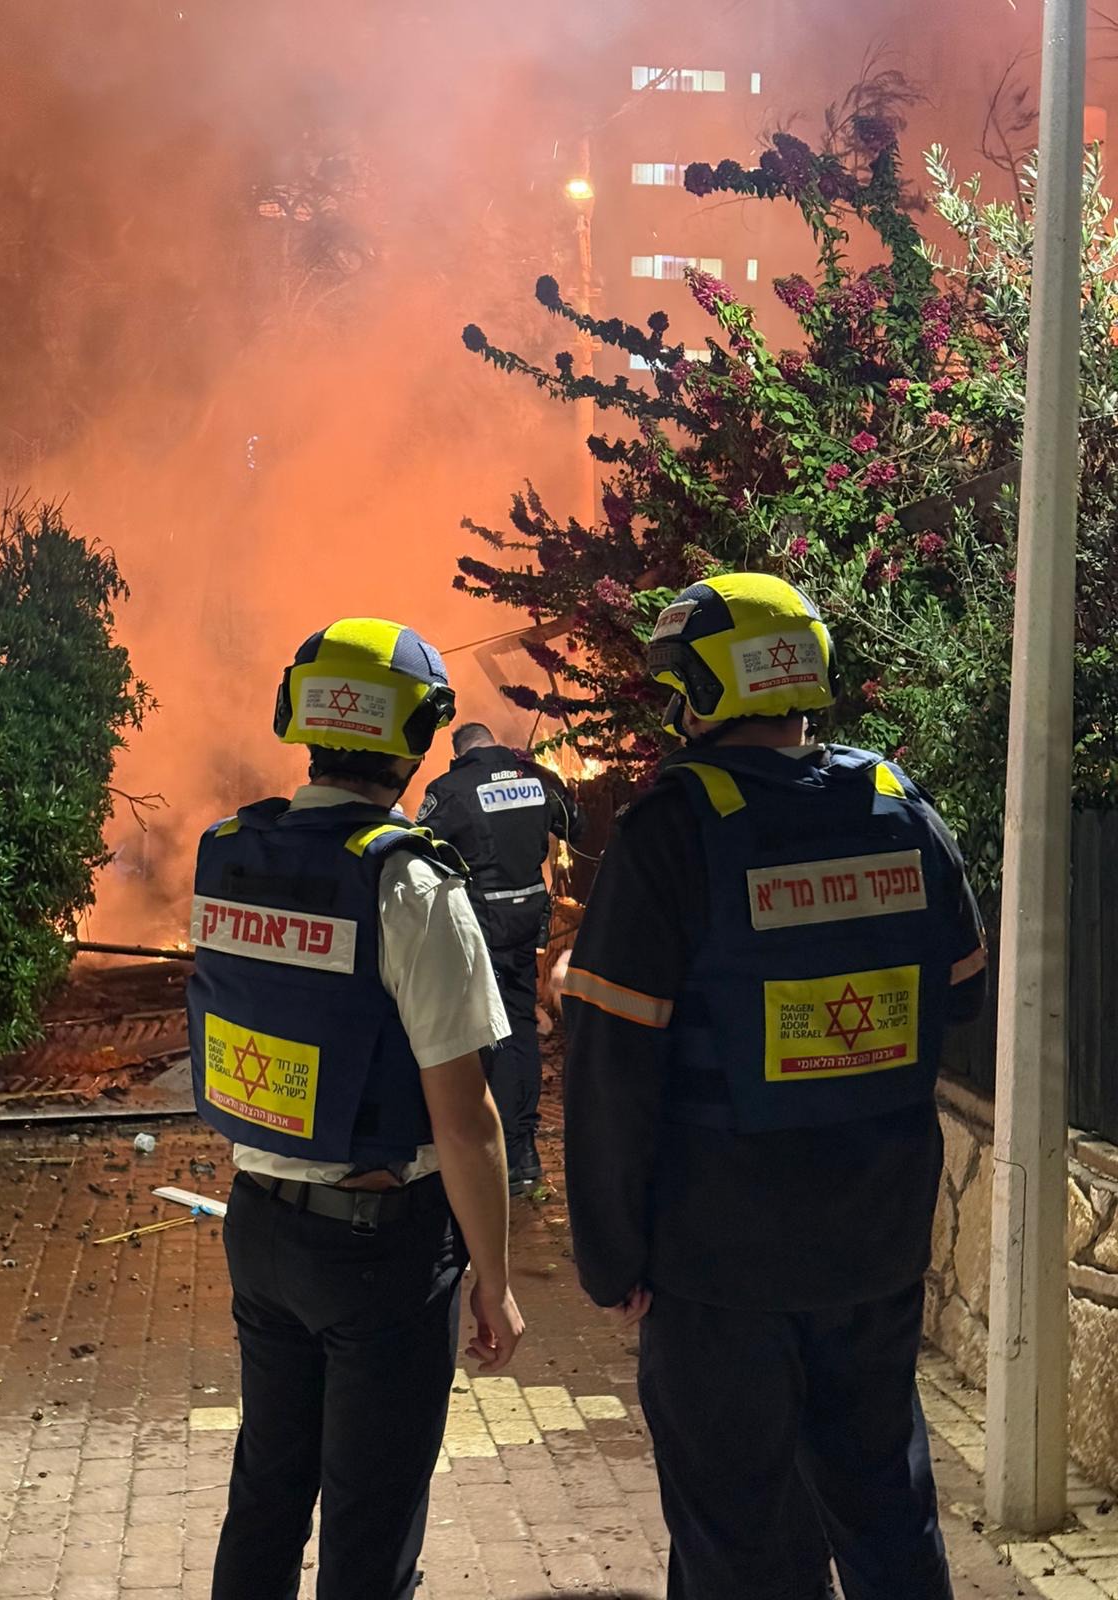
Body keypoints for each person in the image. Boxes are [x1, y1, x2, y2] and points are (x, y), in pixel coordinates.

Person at [561, 573, 987, 1600]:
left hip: (720, 1271)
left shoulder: (672, 833)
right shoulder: (897, 806)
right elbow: (964, 997)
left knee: (740, 1546)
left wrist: (611, 1256)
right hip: (875, 1252)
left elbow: (609, 1072)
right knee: (888, 1512)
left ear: (709, 685)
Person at [187, 618, 524, 1600]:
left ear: (303, 717)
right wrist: (493, 1282)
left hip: (260, 1225)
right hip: (383, 1250)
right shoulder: (408, 881)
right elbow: (466, 1120)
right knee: (369, 1531)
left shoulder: (230, 849)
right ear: (415, 734)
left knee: (267, 1495)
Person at [417, 721, 581, 1193]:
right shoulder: (538, 779)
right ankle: (523, 1149)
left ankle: (493, 1149)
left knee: (485, 1030)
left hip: (479, 926)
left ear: (460, 751)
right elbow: (577, 826)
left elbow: (419, 845)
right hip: (527, 922)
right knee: (520, 1025)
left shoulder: (450, 788)